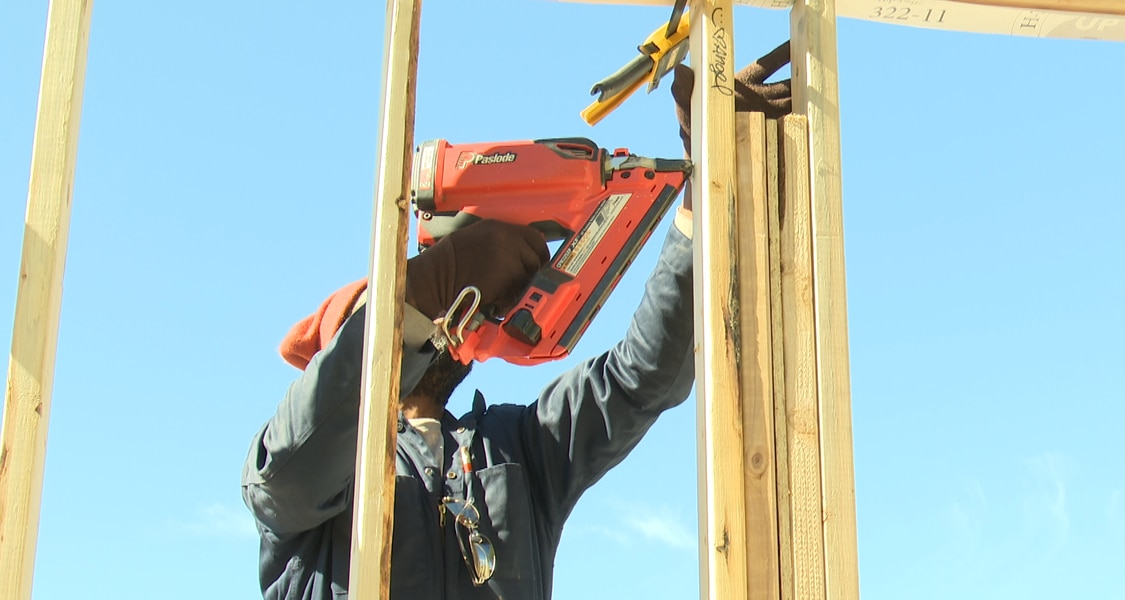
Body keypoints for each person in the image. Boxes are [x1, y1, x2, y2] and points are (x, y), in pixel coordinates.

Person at [241, 42, 793, 600]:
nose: (441, 330)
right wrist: (434, 282)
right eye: (409, 324)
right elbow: (295, 459)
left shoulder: (515, 448)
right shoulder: (306, 488)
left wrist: (704, 192)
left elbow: (643, 379)